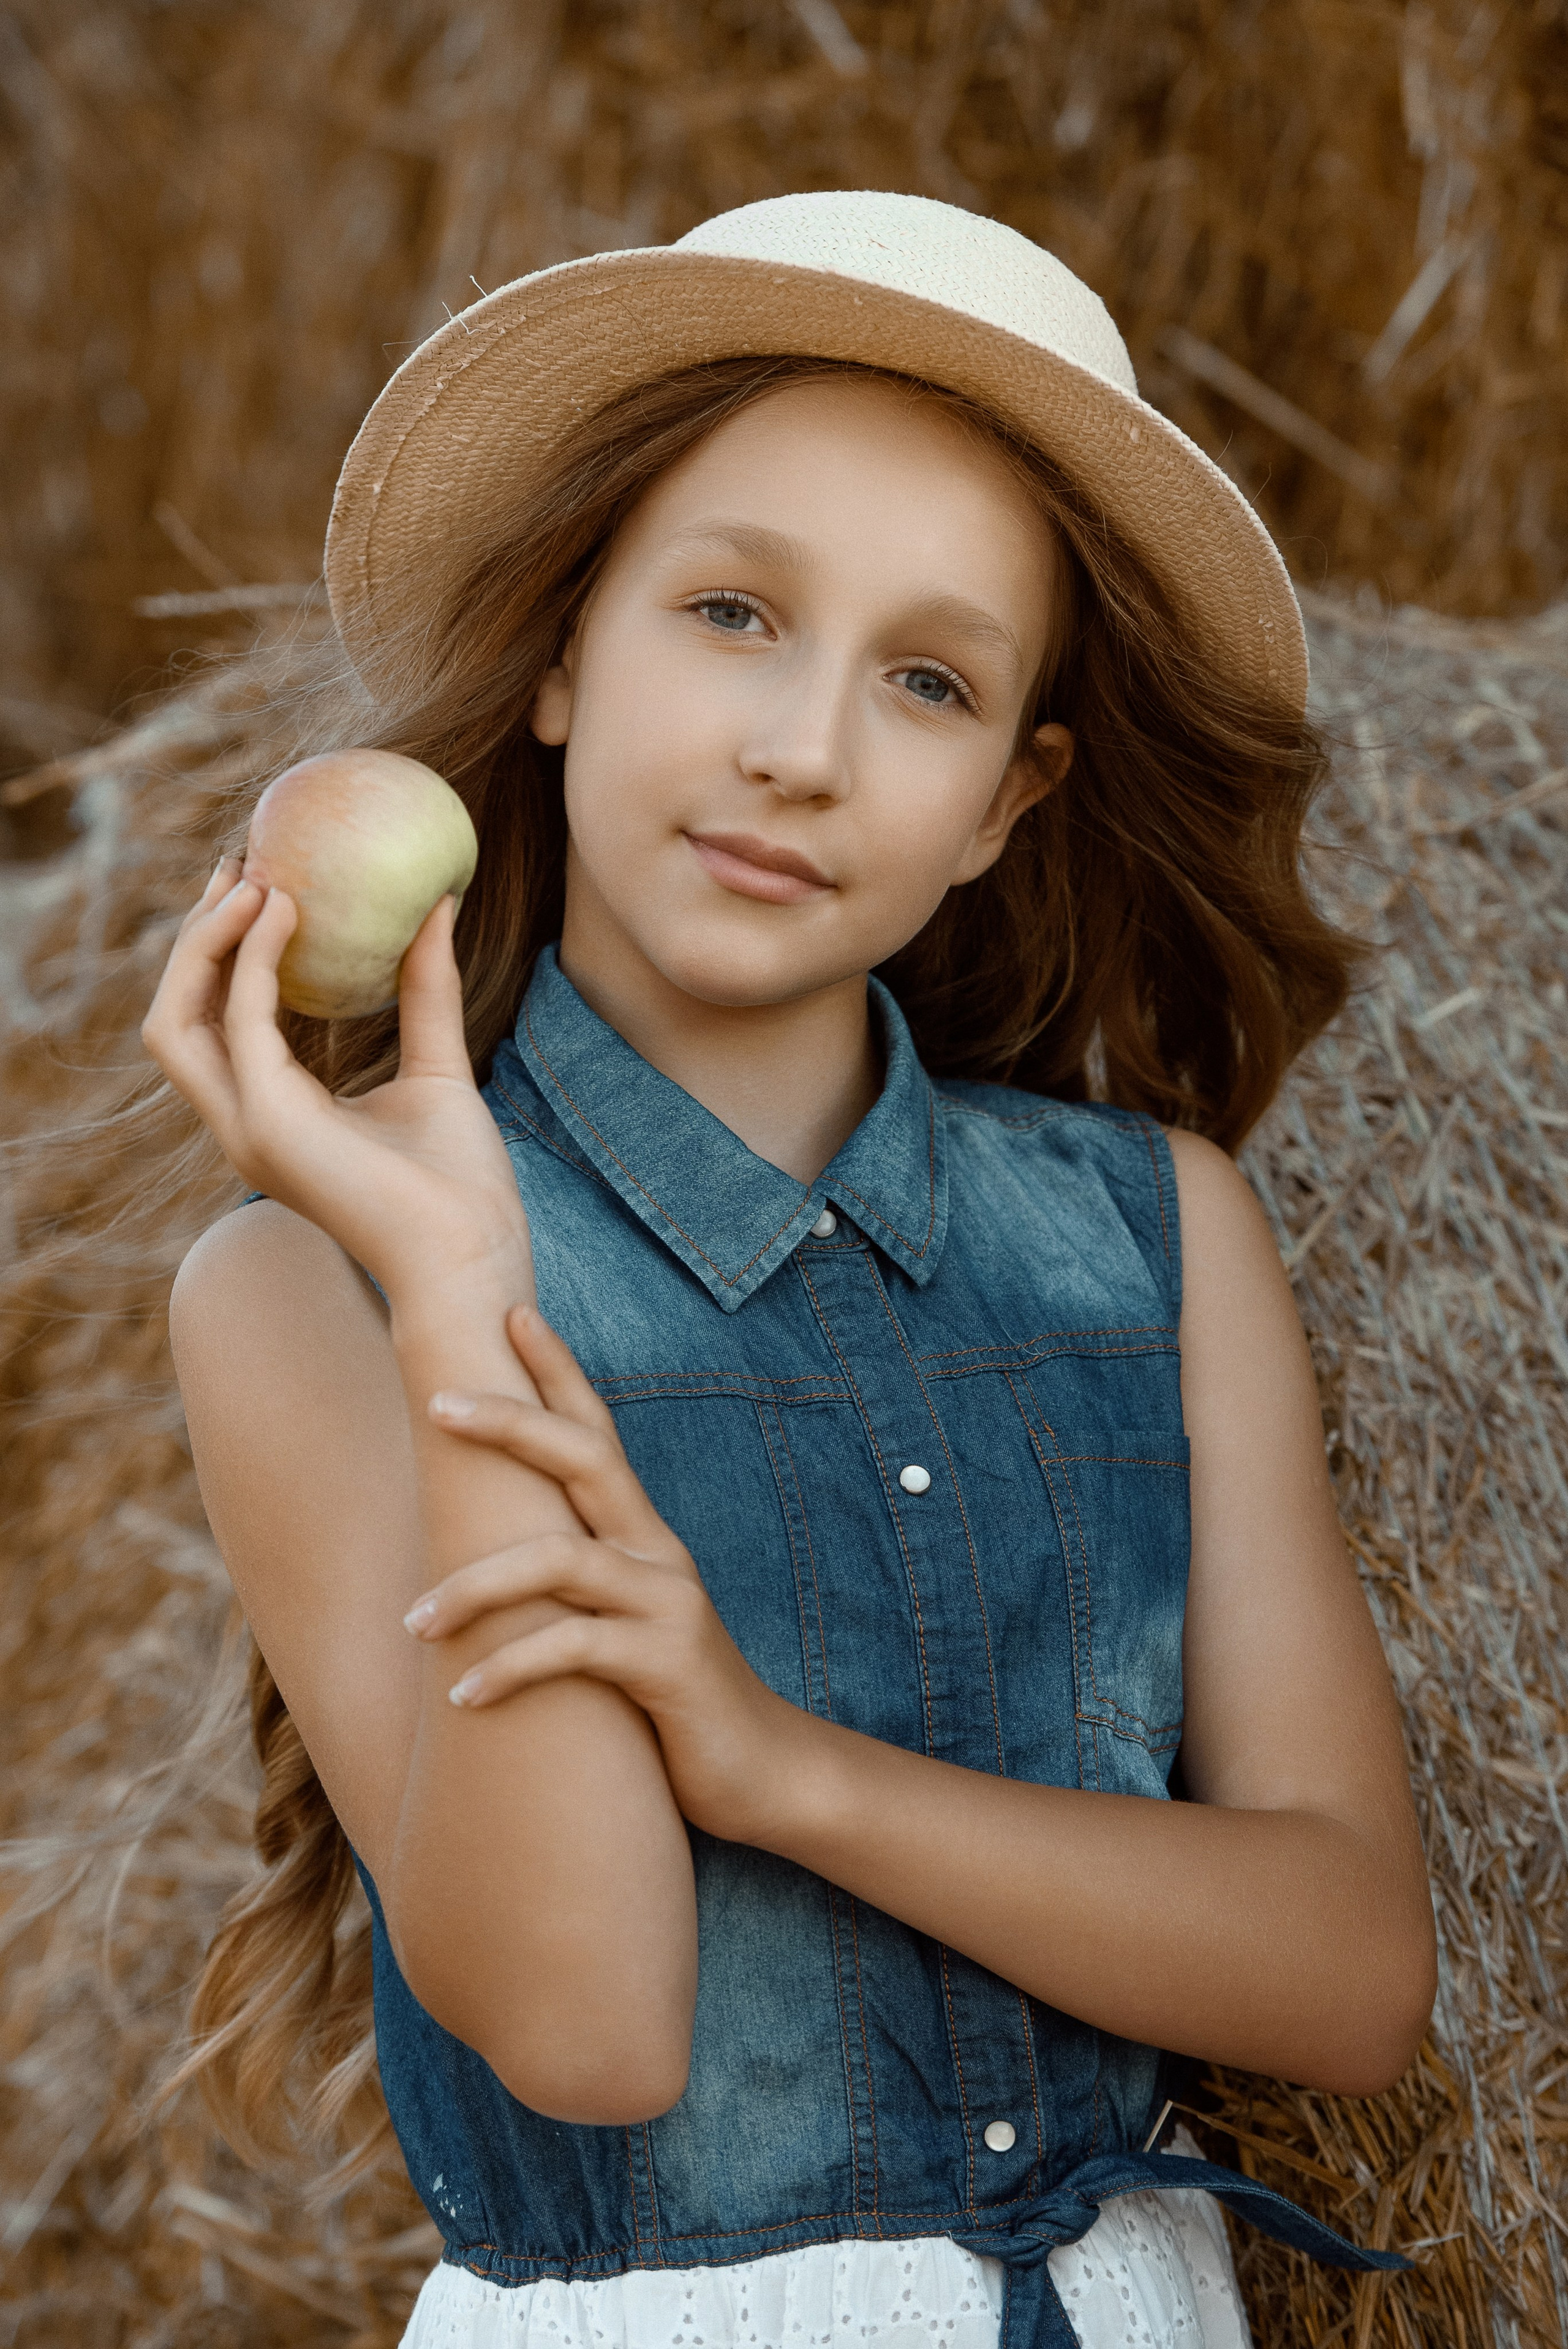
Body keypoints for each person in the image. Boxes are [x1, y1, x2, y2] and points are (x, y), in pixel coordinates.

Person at [141, 191, 1436, 2349]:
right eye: (733, 613)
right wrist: (463, 1281)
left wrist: (773, 1767)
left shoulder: (1158, 1234)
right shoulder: (309, 1286)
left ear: (1008, 801)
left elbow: (1349, 1967)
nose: (803, 747)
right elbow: (588, 2026)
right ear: (565, 651)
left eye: (926, 678)